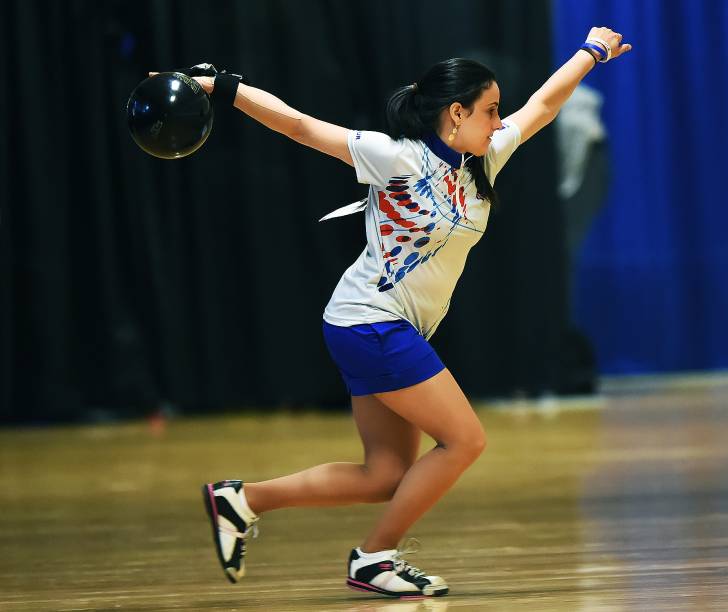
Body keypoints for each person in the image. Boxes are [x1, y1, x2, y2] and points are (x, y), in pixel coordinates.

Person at [197, 27, 631, 598]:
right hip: (370, 319)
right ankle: (374, 558)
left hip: (376, 326)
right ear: (456, 113)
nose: (500, 121)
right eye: (489, 110)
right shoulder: (393, 156)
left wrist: (590, 52)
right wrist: (221, 87)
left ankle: (243, 499)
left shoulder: (484, 159)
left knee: (385, 475)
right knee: (465, 441)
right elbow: (300, 126)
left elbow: (544, 106)